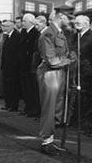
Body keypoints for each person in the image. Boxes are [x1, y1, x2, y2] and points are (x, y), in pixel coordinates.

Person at [37, 12, 73, 155]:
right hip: (50, 74)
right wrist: (69, 60)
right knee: (49, 108)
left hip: (59, 73)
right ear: (62, 18)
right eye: (69, 18)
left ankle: (50, 140)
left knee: (56, 108)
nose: (71, 21)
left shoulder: (59, 33)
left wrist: (67, 59)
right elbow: (52, 61)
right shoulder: (48, 34)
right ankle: (46, 142)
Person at [19, 13, 40, 117]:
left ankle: (33, 109)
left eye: (24, 21)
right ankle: (27, 107)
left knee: (32, 88)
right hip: (23, 64)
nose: (23, 23)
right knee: (25, 88)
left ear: (30, 22)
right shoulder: (23, 32)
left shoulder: (35, 33)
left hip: (30, 65)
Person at [0, 19, 22, 112]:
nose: (5, 28)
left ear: (13, 26)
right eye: (4, 26)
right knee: (7, 86)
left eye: (7, 26)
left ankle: (13, 105)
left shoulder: (17, 36)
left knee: (13, 86)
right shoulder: (6, 36)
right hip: (6, 65)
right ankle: (8, 104)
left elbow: (17, 52)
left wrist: (15, 65)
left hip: (13, 66)